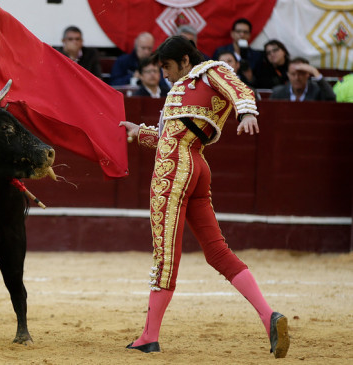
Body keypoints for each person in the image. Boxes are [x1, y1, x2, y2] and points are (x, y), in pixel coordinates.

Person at [119, 36, 290, 358]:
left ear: (185, 60)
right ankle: (268, 316)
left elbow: (239, 90)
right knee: (216, 251)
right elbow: (175, 135)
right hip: (195, 164)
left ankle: (148, 336)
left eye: (168, 67)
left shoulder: (210, 70)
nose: (167, 75)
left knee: (165, 252)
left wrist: (247, 113)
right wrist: (139, 132)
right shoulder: (186, 88)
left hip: (176, 169)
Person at [212, 18, 263, 86]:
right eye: (238, 31)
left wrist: (251, 78)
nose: (242, 35)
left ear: (249, 35)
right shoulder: (220, 52)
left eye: (245, 32)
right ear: (232, 33)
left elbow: (262, 81)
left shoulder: (256, 56)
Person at [270, 57, 336, 101]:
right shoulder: (278, 92)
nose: (297, 78)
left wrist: (315, 72)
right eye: (293, 74)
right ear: (288, 75)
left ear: (307, 74)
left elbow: (331, 99)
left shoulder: (317, 91)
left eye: (301, 74)